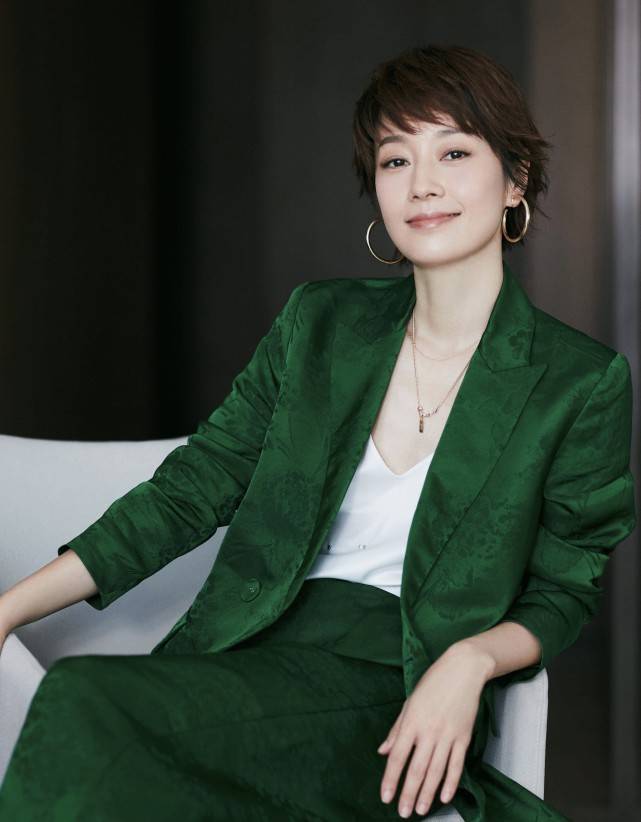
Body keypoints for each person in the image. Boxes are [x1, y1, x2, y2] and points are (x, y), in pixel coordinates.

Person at [0, 43, 636, 821]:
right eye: (395, 160)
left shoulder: (577, 380)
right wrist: (8, 609)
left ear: (514, 180)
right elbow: (193, 488)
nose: (422, 184)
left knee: (87, 706)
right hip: (247, 650)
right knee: (101, 719)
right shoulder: (321, 322)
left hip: (395, 684)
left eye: (454, 152)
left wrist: (470, 659)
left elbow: (563, 587)